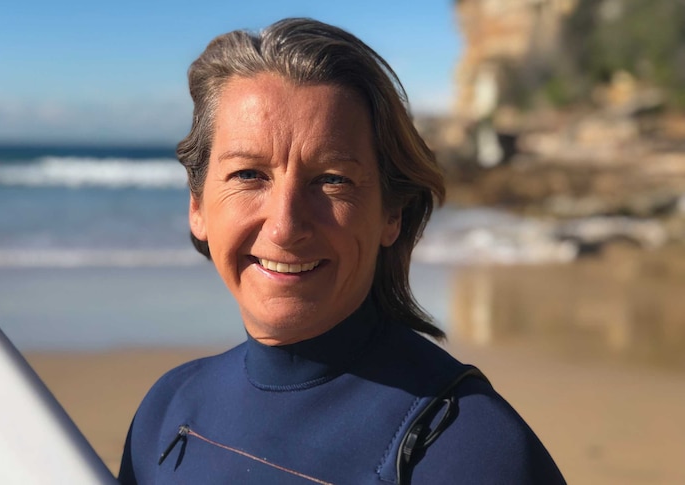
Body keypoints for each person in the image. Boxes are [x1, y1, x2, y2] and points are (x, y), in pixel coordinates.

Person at [119, 18, 564, 484]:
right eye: (249, 175)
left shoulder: (469, 447)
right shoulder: (166, 410)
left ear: (392, 213)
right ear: (198, 207)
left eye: (332, 180)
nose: (286, 226)